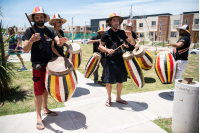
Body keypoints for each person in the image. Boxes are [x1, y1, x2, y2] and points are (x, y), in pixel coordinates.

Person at [22, 7, 68, 130]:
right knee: (38, 91)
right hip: (37, 64)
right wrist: (31, 40)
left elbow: (58, 42)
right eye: (36, 17)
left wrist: (62, 42)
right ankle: (38, 116)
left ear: (44, 18)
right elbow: (25, 49)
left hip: (49, 65)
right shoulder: (29, 31)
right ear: (34, 19)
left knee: (46, 88)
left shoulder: (50, 30)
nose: (39, 19)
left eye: (41, 17)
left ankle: (45, 109)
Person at [99, 13, 136, 107]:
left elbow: (132, 44)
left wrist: (130, 36)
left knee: (120, 81)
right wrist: (107, 50)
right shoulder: (106, 34)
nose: (116, 22)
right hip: (110, 61)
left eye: (117, 20)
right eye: (114, 20)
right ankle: (109, 98)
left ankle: (118, 98)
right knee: (109, 81)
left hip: (121, 61)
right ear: (110, 22)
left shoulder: (122, 33)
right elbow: (100, 46)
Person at [166, 25, 191, 97]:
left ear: (186, 31)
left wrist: (170, 44)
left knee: (178, 76)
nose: (180, 31)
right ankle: (182, 88)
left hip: (182, 60)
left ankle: (178, 92)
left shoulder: (185, 38)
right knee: (177, 76)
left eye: (181, 30)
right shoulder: (183, 38)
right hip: (179, 60)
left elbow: (179, 45)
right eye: (180, 30)